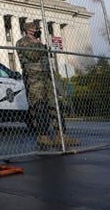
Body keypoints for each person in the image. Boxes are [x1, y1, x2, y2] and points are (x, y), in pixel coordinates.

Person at [16, 21, 79, 149]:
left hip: (46, 76)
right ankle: (42, 136)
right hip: (34, 78)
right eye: (36, 29)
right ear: (29, 30)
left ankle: (60, 134)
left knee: (55, 104)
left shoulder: (39, 43)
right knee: (39, 106)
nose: (38, 31)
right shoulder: (23, 42)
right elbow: (33, 56)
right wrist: (41, 47)